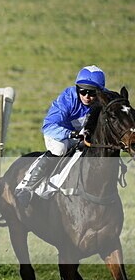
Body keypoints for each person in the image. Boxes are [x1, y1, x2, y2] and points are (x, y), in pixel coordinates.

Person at [15, 65, 107, 206]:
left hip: (83, 137)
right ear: (77, 89)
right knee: (60, 149)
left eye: (92, 93)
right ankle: (26, 187)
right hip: (59, 135)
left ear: (100, 92)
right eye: (82, 91)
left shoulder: (105, 98)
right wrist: (73, 133)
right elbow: (48, 126)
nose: (87, 96)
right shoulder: (68, 99)